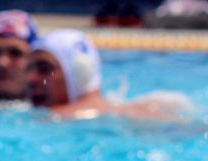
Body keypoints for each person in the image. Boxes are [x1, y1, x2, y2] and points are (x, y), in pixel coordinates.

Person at [26, 29, 193, 121]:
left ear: (79, 73)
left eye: (45, 69)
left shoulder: (55, 119)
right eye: (30, 68)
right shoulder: (138, 108)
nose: (32, 79)